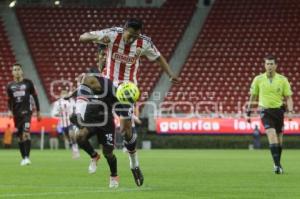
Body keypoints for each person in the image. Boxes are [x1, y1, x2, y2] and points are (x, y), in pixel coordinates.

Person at [79, 18, 177, 186]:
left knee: (125, 131)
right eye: (130, 34)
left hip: (127, 89)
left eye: (136, 35)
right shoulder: (111, 34)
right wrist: (96, 39)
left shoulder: (144, 43)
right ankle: (80, 113)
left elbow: (159, 58)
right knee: (85, 79)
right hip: (108, 83)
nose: (132, 38)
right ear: (124, 29)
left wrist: (170, 74)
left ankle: (134, 163)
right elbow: (83, 37)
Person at [70, 67, 138, 188]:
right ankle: (94, 156)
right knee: (79, 136)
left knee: (108, 153)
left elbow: (121, 104)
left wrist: (127, 110)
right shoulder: (86, 84)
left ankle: (114, 175)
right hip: (90, 119)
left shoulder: (111, 87)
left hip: (106, 121)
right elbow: (80, 93)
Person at [246, 55, 293, 174]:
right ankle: (277, 166)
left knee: (279, 140)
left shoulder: (283, 79)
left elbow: (288, 98)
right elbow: (253, 96)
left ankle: (277, 163)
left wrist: (291, 111)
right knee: (271, 135)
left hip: (279, 111)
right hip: (265, 111)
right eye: (267, 64)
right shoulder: (258, 79)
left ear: (276, 65)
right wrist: (249, 111)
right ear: (264, 65)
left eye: (272, 64)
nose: (270, 66)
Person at [6, 63, 41, 166]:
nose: (16, 71)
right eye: (15, 69)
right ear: (12, 72)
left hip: (27, 112)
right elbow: (9, 101)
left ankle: (27, 158)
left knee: (26, 133)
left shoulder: (28, 83)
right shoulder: (9, 86)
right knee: (20, 137)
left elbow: (35, 97)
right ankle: (23, 158)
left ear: (22, 71)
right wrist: (9, 110)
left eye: (18, 69)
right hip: (16, 114)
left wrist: (38, 111)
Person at [51, 89, 80, 158]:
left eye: (65, 93)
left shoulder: (71, 101)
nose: (64, 95)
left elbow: (75, 109)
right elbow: (53, 114)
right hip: (62, 123)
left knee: (71, 135)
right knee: (68, 138)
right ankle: (74, 150)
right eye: (62, 93)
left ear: (67, 94)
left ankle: (76, 150)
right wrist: (58, 113)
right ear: (60, 94)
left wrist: (74, 115)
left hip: (70, 122)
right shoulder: (57, 103)